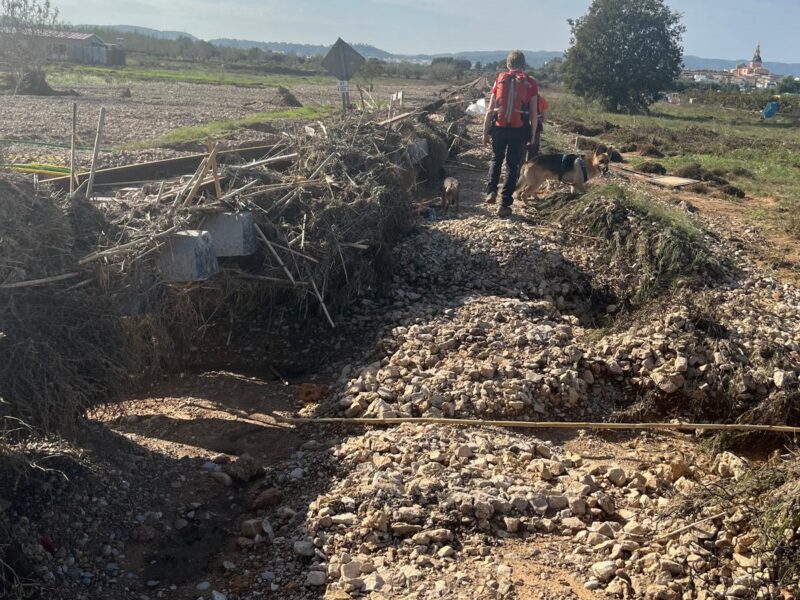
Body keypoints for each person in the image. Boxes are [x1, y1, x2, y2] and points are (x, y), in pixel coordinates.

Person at [482, 50, 539, 217]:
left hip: (498, 128)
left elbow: (490, 110)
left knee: (495, 159)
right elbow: (534, 114)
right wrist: (533, 134)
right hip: (518, 130)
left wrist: (485, 132)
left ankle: (491, 191)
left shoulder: (500, 79)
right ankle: (504, 204)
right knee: (512, 166)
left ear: (508, 65)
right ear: (524, 65)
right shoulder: (530, 83)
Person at [528, 94, 549, 159]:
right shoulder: (542, 100)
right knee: (533, 151)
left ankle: (519, 167)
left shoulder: (524, 96)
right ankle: (529, 167)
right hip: (537, 127)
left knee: (521, 151)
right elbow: (545, 120)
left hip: (523, 124)